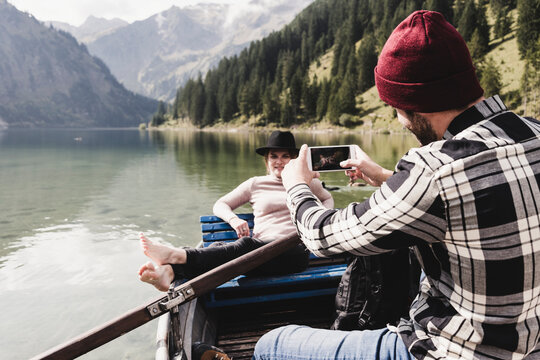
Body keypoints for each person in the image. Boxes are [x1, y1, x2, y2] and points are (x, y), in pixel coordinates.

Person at [254, 10, 540, 360]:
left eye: (396, 107)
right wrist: (387, 178)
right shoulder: (534, 133)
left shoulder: (432, 170)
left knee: (272, 344)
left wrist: (296, 184)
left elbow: (320, 236)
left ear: (417, 103)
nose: (399, 119)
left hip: (453, 352)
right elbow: (474, 202)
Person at [138, 130, 333, 292]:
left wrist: (319, 220)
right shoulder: (255, 184)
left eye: (285, 156)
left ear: (293, 160)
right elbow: (220, 204)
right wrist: (233, 219)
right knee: (221, 249)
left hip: (293, 253)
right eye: (274, 156)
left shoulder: (305, 181)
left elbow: (327, 197)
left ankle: (177, 256)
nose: (279, 161)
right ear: (267, 160)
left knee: (244, 246)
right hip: (256, 258)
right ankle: (169, 273)